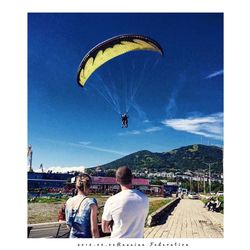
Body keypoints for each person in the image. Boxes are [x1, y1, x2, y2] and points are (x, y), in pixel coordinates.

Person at [102, 166, 149, 238]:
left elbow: (105, 229)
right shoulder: (144, 198)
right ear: (132, 178)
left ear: (117, 180)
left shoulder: (111, 201)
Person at [65, 173, 99, 238]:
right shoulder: (91, 203)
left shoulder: (69, 201)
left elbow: (68, 225)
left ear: (76, 186)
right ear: (89, 186)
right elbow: (94, 230)